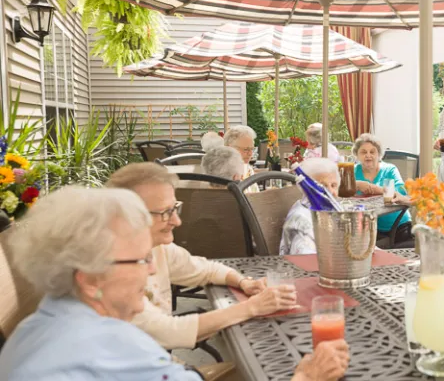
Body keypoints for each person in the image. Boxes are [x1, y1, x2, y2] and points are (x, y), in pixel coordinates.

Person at [0, 186, 350, 381]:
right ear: (91, 279)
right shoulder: (112, 345)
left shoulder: (40, 325)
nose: (152, 267)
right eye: (139, 260)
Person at [107, 163, 297, 350]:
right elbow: (168, 331)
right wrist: (252, 307)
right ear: (128, 216)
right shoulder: (112, 269)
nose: (177, 221)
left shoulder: (158, 249)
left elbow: (206, 269)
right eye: (165, 213)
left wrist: (243, 282)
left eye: (175, 208)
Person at [353, 133, 412, 246]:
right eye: (363, 152)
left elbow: (401, 193)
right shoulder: (353, 171)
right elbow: (340, 190)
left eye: (372, 152)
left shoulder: (389, 169)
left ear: (379, 154)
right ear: (357, 154)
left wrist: (376, 189)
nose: (368, 155)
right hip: (370, 228)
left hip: (400, 225)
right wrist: (355, 184)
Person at [280, 158, 341, 255]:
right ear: (306, 187)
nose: (329, 192)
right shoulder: (301, 221)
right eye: (322, 186)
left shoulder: (333, 209)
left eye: (333, 185)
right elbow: (305, 259)